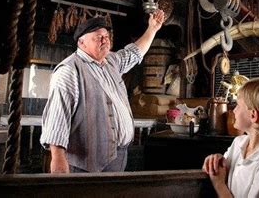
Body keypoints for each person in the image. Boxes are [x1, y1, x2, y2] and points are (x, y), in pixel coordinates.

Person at [40, 9, 165, 173]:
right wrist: (58, 159)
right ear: (81, 43)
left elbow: (135, 53)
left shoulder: (111, 61)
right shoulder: (69, 70)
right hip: (86, 163)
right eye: (98, 38)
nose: (105, 41)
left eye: (106, 37)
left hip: (119, 157)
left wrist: (152, 29)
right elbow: (58, 118)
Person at [202, 78, 259, 198]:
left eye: (238, 105)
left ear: (253, 115)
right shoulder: (238, 143)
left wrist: (218, 184)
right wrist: (216, 161)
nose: (233, 110)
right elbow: (222, 170)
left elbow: (219, 180)